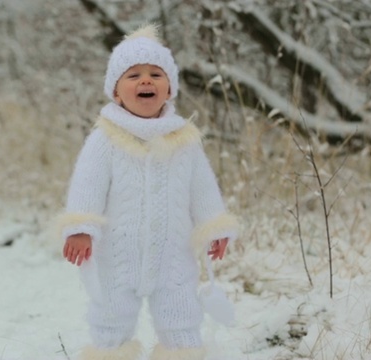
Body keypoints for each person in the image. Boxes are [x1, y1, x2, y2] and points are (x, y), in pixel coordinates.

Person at [57, 24, 239, 360]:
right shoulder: (106, 138)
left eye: (156, 74)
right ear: (116, 91)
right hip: (117, 254)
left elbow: (202, 188)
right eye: (134, 75)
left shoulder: (183, 139)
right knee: (110, 319)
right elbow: (88, 184)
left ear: (169, 89)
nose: (145, 81)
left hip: (174, 255)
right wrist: (81, 228)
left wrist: (214, 226)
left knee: (181, 318)